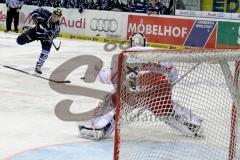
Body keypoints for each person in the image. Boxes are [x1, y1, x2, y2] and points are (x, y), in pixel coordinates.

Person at [78, 33, 203, 140]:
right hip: (159, 87)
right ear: (145, 43)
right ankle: (193, 125)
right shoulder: (158, 53)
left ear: (130, 43)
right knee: (165, 108)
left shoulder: (125, 54)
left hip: (133, 89)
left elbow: (107, 75)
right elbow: (173, 74)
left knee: (111, 101)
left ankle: (98, 128)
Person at [16, 8, 62, 74]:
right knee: (19, 41)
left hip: (45, 38)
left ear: (59, 18)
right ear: (52, 14)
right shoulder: (46, 13)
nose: (55, 18)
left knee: (46, 51)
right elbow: (34, 12)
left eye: (57, 17)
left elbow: (54, 35)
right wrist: (35, 17)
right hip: (35, 32)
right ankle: (29, 29)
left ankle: (39, 65)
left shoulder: (57, 27)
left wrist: (49, 34)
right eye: (54, 16)